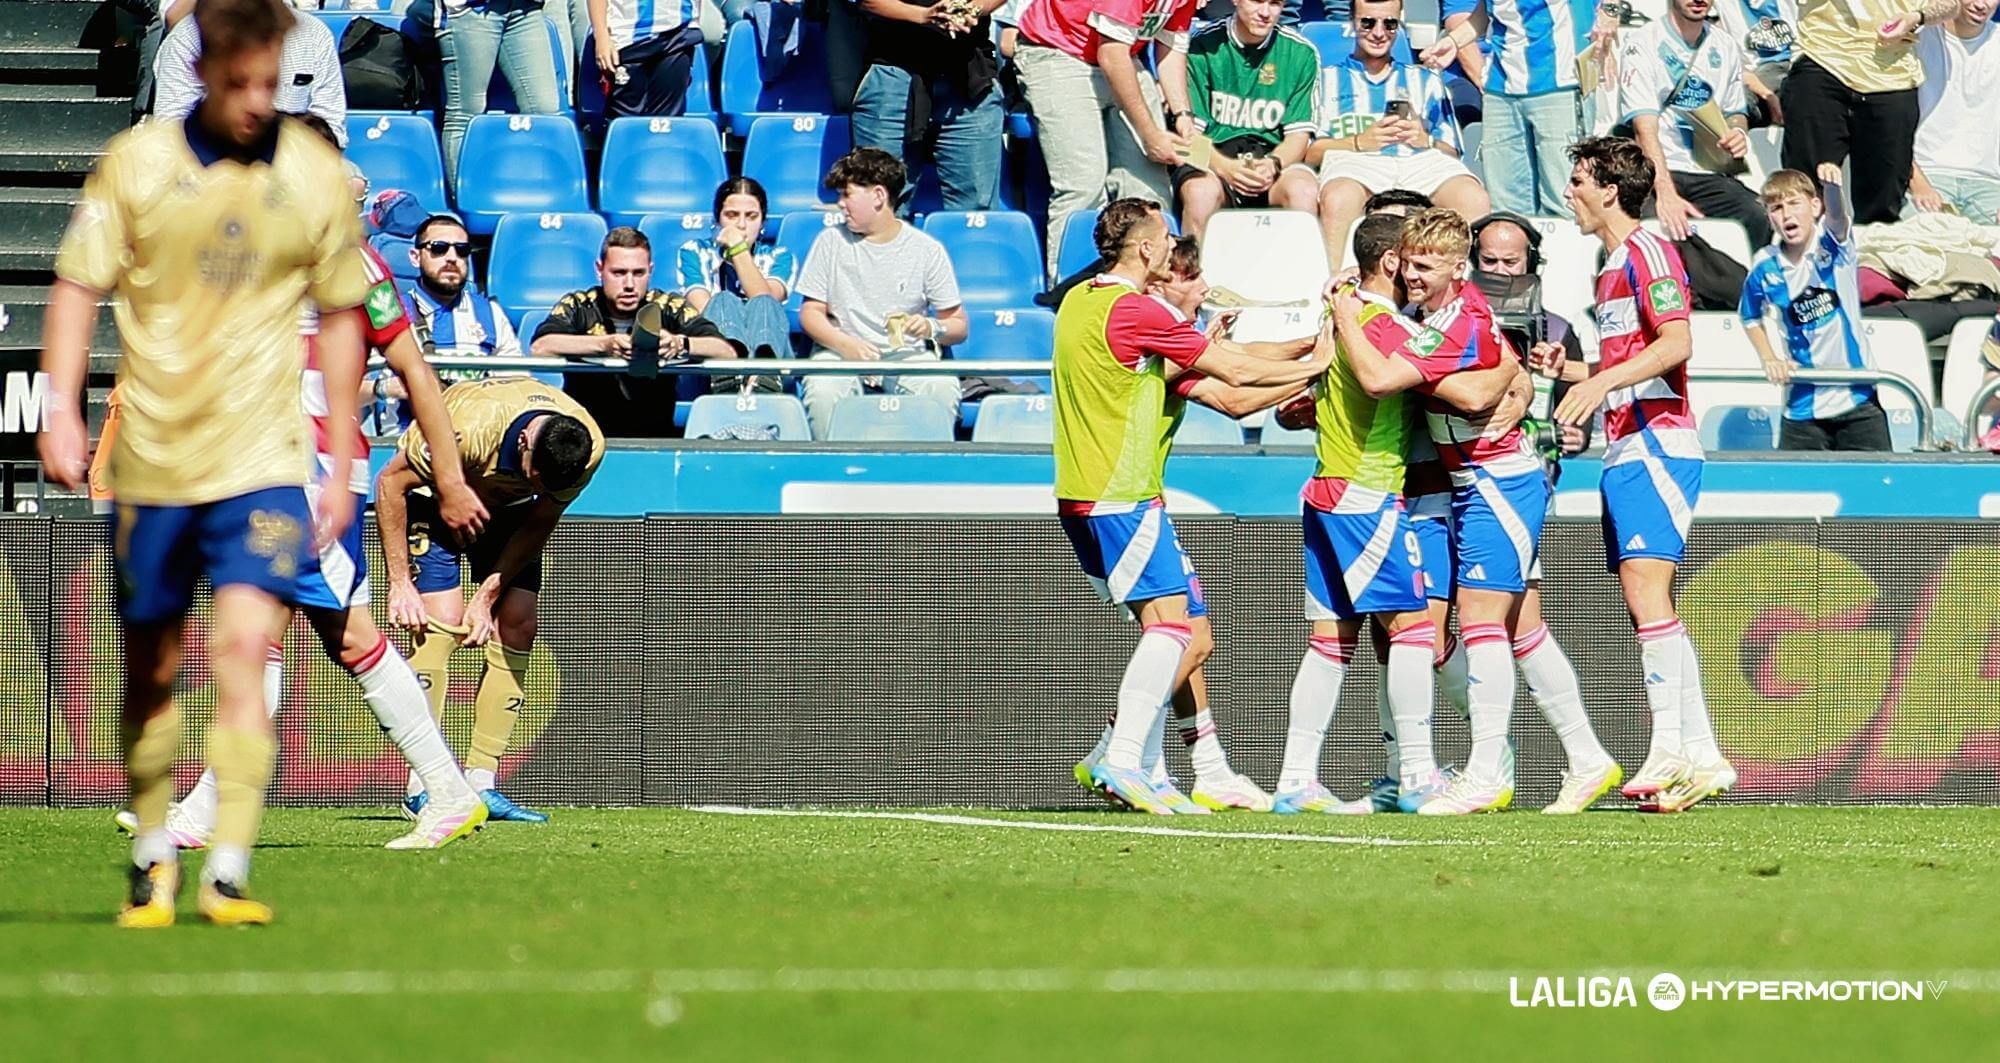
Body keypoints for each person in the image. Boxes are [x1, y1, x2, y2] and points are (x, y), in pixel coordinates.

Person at [40, 0, 372, 927]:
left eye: (273, 81)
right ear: (202, 68)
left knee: (242, 655)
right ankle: (152, 859)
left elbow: (345, 314)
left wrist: (341, 456)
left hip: (264, 458)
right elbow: (77, 285)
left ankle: (226, 869)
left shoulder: (311, 171)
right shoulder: (140, 162)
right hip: (155, 457)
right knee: (152, 666)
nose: (259, 100)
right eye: (241, 83)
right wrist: (61, 407)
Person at [110, 119, 496, 856]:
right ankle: (437, 791)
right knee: (295, 634)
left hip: (315, 477)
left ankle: (445, 789)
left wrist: (448, 478)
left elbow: (416, 373)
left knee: (307, 633)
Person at [1053, 198, 1327, 813]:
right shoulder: (1136, 310)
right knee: (1172, 628)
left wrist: (1309, 357)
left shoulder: (1083, 302)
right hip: (1118, 494)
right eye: (1168, 239)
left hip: (1100, 493)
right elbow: (1230, 370)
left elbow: (1226, 389)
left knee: (1190, 632)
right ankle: (1121, 757)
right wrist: (1321, 364)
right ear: (1147, 250)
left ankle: (1159, 763)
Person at [1273, 213, 1508, 815]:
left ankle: (1296, 780)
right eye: (1409, 261)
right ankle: (1417, 774)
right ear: (1391, 263)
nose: (1414, 272)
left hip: (1325, 487)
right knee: (1414, 632)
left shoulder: (1339, 315)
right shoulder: (1379, 323)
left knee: (1330, 641)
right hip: (1369, 492)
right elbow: (1455, 390)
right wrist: (1511, 370)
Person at [1545, 136, 1734, 813]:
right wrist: (1571, 373)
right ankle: (1704, 755)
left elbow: (1677, 343)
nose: (1569, 192)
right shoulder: (1613, 263)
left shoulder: (1649, 250)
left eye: (1577, 181)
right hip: (1629, 442)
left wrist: (1601, 386)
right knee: (1647, 597)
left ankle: (1669, 745)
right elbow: (1629, 359)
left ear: (1607, 188)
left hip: (1657, 441)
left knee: (1646, 591)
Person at [375, 377, 606, 824]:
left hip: (510, 515)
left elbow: (540, 519)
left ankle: (483, 782)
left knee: (518, 623)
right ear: (524, 442)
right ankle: (424, 785)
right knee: (440, 623)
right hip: (437, 495)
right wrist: (399, 582)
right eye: (532, 473)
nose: (534, 482)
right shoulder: (467, 428)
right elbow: (390, 484)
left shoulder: (586, 446)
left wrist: (487, 597)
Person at [1471, 212, 1625, 814]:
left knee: (1461, 625)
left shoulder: (1556, 328)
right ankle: (1580, 754)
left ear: (1532, 263)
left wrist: (1571, 432)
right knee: (1515, 627)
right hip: (1461, 480)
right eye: (1491, 261)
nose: (1502, 272)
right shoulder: (1462, 317)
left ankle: (1488, 760)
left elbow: (1573, 414)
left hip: (1517, 482)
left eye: (1512, 262)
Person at [1014, 0, 1200, 274]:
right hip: (1058, 51)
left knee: (1150, 191)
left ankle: (1146, 290)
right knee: (1084, 184)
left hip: (1124, 55)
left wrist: (1183, 114)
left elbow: (1171, 46)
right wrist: (1150, 134)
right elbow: (1111, 55)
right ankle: (1070, 290)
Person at [797, 149, 968, 440]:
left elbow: (958, 325)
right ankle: (832, 468)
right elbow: (811, 312)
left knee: (941, 387)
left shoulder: (927, 250)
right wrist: (845, 345)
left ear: (878, 196)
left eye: (847, 195)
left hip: (907, 355)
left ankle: (928, 471)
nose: (840, 204)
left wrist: (931, 327)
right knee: (822, 389)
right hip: (840, 353)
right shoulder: (830, 242)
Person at [1308, 0, 1489, 269]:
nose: (1379, 32)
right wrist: (1359, 142)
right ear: (1352, 23)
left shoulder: (1425, 79)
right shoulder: (1326, 79)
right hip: (1355, 162)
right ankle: (1335, 286)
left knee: (1472, 197)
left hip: (1420, 162)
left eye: (1390, 24)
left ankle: (1467, 290)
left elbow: (1453, 151)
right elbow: (1309, 152)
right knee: (1339, 197)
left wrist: (1424, 139)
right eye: (1368, 22)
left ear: (1399, 25)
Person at [532, 226, 748, 436]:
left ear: (650, 271)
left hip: (654, 437)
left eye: (638, 273)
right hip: (587, 437)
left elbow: (726, 352)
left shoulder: (668, 305)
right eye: (618, 273)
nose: (629, 284)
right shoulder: (578, 304)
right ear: (599, 270)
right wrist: (603, 344)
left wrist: (679, 344)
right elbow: (541, 348)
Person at [1741, 167, 1892, 451]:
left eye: (1794, 203)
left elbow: (1837, 218)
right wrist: (1769, 358)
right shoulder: (1765, 265)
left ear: (1814, 206)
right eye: (1776, 208)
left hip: (1856, 401)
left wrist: (1832, 187)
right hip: (1801, 410)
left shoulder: (1833, 248)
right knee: (1796, 494)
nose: (1786, 214)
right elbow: (1750, 316)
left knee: (1876, 491)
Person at [1779, 0, 1960, 225]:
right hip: (1823, 61)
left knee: (1883, 205)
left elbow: (1949, 5)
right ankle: (1801, 257)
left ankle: (1871, 257)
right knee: (1804, 190)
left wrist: (1916, 17)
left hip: (1894, 76)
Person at [1423, 0, 1603, 217]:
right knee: (1506, 206)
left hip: (1559, 83)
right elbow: (1487, 12)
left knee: (1563, 199)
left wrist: (1610, 14)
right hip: (1500, 88)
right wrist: (1454, 41)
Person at [1619, 0, 1767, 246]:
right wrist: (1666, 193)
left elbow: (1735, 112)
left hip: (1710, 173)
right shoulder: (1642, 43)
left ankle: (1748, 284)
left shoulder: (1725, 45)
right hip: (1660, 172)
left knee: (1760, 215)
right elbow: (1644, 129)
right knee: (1645, 227)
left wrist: (1738, 132)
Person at [1172, 0, 1321, 240]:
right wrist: (1225, 168)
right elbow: (1189, 135)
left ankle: (1298, 275)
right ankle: (1191, 274)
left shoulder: (1300, 52)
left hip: (1272, 158)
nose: (1265, 13)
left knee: (1302, 190)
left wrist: (1273, 164)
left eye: (1274, 3)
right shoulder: (1202, 45)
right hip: (1213, 157)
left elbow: (1298, 135)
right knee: (1200, 193)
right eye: (1257, 1)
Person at [850, 0, 1007, 212]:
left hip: (968, 74)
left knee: (975, 211)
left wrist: (970, 10)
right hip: (894, 72)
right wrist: (924, 15)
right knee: (881, 204)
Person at [377, 214, 524, 431]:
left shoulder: (490, 313)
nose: (452, 257)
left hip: (476, 442)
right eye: (439, 248)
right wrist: (385, 388)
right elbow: (346, 391)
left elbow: (518, 388)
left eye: (462, 250)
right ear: (415, 257)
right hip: (403, 443)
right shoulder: (388, 311)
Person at [152, 0, 345, 142]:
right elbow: (171, 127)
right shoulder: (187, 39)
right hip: (207, 167)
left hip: (298, 161)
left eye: (272, 83)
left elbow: (331, 123)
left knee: (353, 183)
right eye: (236, 84)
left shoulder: (315, 34)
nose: (259, 105)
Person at [675, 176, 795, 389]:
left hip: (774, 356)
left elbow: (766, 298)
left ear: (763, 223)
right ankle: (729, 375)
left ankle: (763, 377)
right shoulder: (694, 251)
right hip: (713, 356)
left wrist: (737, 249)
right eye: (731, 215)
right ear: (717, 220)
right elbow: (703, 309)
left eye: (751, 216)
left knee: (764, 303)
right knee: (722, 301)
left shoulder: (781, 256)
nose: (741, 225)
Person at [430, 0, 562, 188]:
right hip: (470, 11)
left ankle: (538, 192)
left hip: (525, 10)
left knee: (545, 111)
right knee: (465, 114)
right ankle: (465, 201)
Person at [1908, 0, 2000, 222]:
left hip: (1990, 182)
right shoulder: (1916, 39)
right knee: (1917, 248)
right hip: (1927, 175)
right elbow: (1886, 120)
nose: (1981, 4)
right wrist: (1917, 182)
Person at [587, 0, 705, 118]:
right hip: (626, 40)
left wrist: (695, 23)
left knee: (666, 122)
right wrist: (602, 36)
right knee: (625, 121)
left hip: (676, 37)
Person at [1714, 0, 1800, 126]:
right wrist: (1765, 93)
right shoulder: (1720, 7)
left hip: (1801, 65)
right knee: (1735, 100)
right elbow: (1727, 65)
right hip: (1756, 76)